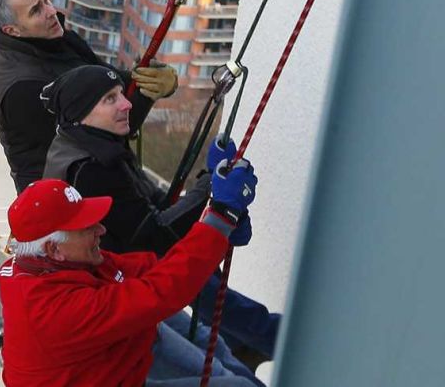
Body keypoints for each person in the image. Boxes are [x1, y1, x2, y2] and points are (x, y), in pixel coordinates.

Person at [42, 65, 279, 364]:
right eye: (110, 99)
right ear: (82, 114)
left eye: (121, 95)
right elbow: (155, 238)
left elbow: (155, 208)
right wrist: (214, 193)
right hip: (122, 309)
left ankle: (259, 339)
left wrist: (212, 192)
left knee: (215, 337)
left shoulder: (93, 146)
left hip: (126, 285)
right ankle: (272, 339)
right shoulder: (90, 169)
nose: (128, 104)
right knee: (218, 363)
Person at [0, 169, 259, 386]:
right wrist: (220, 219)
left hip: (117, 366)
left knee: (222, 364)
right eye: (87, 227)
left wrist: (215, 230)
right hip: (116, 375)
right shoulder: (55, 310)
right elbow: (161, 291)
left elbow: (150, 269)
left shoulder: (56, 266)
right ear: (53, 248)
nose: (101, 229)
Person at [0, 0, 178, 193]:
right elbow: (104, 132)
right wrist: (147, 92)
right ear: (12, 30)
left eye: (46, 0)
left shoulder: (56, 39)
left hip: (90, 177)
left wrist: (145, 75)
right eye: (36, 10)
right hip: (61, 199)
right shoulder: (23, 89)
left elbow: (107, 79)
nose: (51, 11)